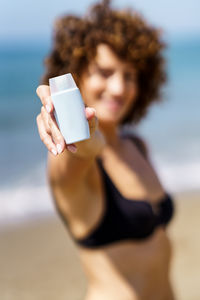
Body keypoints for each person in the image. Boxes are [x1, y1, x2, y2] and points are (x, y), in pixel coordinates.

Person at [36, 0, 175, 299]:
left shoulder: (136, 144)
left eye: (129, 75)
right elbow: (88, 147)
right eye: (104, 71)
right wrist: (69, 121)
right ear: (75, 75)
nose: (119, 88)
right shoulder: (68, 157)